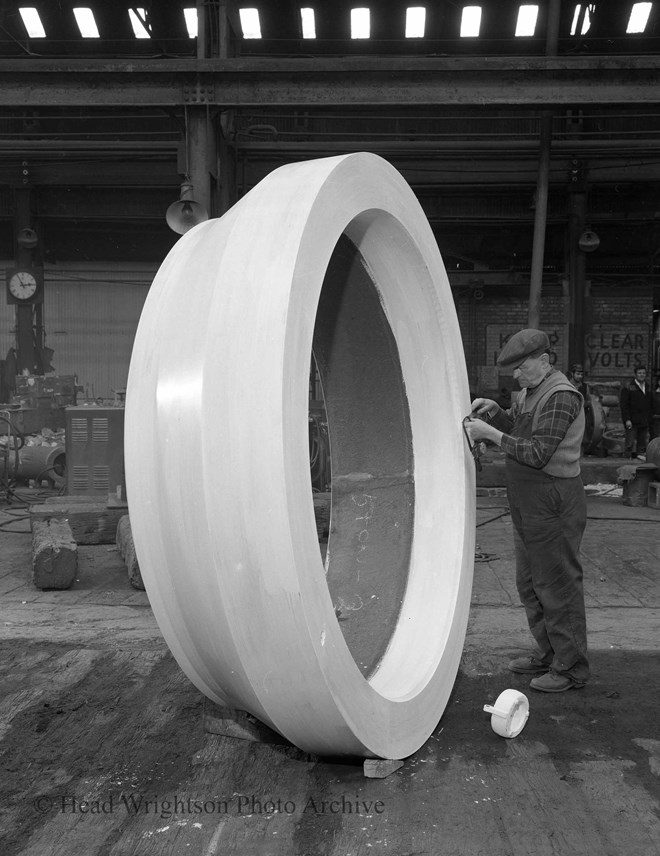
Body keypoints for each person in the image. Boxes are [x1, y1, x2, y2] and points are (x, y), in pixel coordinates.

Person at [465, 328, 589, 693]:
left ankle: (571, 668)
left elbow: (537, 452)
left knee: (556, 584)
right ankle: (550, 654)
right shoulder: (531, 392)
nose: (516, 375)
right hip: (528, 501)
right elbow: (522, 432)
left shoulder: (561, 396)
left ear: (544, 361)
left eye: (521, 367)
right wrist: (497, 414)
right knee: (530, 583)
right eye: (513, 369)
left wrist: (490, 434)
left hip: (553, 500)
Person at [619, 366, 653, 459]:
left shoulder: (648, 387)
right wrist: (627, 419)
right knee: (629, 444)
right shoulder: (628, 387)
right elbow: (624, 405)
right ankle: (626, 461)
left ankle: (639, 464)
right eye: (639, 373)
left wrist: (649, 418)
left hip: (644, 421)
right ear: (635, 374)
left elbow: (650, 404)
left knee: (642, 445)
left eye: (643, 373)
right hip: (632, 421)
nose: (642, 375)